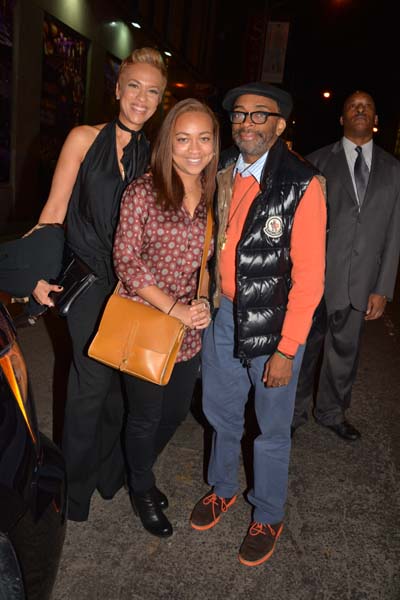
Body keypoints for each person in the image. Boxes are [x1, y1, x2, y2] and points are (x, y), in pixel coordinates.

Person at [190, 82, 327, 566]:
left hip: (272, 327)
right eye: (240, 115)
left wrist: (288, 349)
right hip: (224, 315)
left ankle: (268, 513)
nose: (247, 123)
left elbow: (310, 278)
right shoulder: (223, 170)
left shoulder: (303, 183)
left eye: (259, 115)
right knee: (221, 413)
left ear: (281, 124)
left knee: (271, 428)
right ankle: (223, 488)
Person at [29, 47, 168, 521]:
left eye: (152, 91)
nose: (141, 98)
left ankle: (111, 476)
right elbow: (54, 211)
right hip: (87, 279)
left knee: (117, 389)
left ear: (160, 100)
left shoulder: (158, 155)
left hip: (133, 284)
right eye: (134, 86)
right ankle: (73, 490)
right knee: (91, 382)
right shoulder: (83, 139)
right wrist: (35, 274)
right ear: (116, 88)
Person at [112, 98, 219, 537]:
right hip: (145, 319)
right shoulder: (144, 190)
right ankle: (141, 487)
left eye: (204, 138)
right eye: (183, 138)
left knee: (175, 413)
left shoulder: (214, 195)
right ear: (167, 143)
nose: (194, 149)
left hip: (188, 329)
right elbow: (126, 261)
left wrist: (204, 302)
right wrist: (174, 308)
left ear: (214, 144)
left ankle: (135, 472)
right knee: (145, 415)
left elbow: (208, 262)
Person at [292, 90, 400, 441]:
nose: (360, 110)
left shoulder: (394, 169)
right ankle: (291, 412)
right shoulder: (315, 162)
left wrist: (383, 287)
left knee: (345, 353)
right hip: (316, 278)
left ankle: (331, 412)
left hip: (362, 281)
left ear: (376, 120)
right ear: (341, 118)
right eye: (353, 106)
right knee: (303, 348)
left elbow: (394, 231)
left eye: (367, 106)